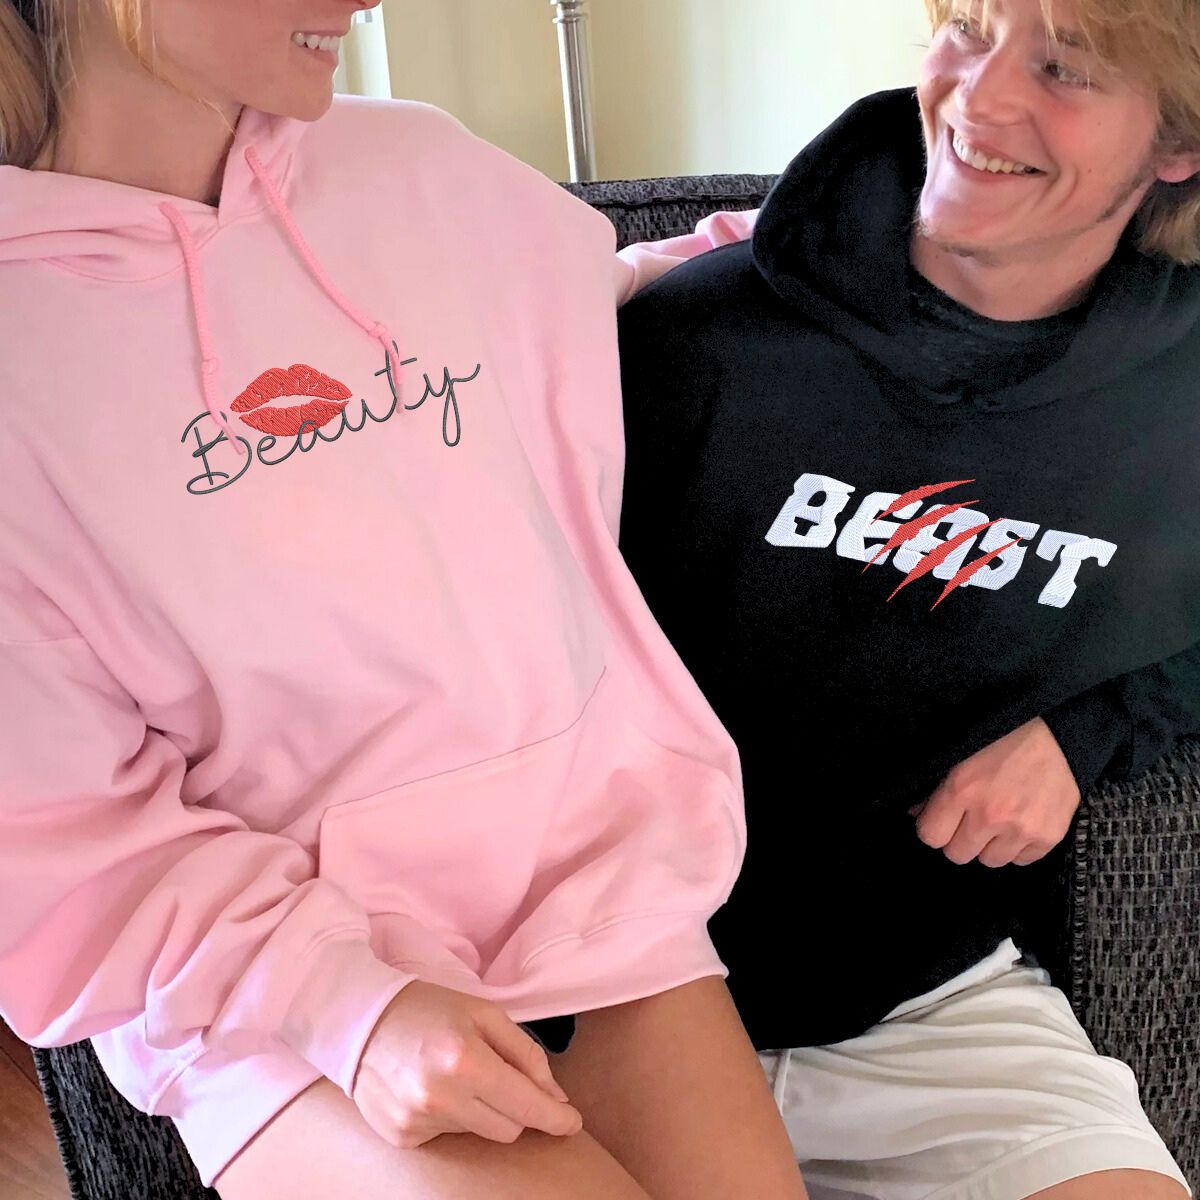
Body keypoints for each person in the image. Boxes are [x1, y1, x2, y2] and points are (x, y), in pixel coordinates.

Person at [0, 2, 804, 1198]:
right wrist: (350, 1008)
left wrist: (887, 235)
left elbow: (609, 293)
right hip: (276, 990)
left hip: (597, 891)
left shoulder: (420, 168)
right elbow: (63, 846)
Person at [616, 0, 1200, 1196]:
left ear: (1179, 144)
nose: (981, 97)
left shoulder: (1181, 393)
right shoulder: (690, 338)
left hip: (930, 1006)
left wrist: (1089, 729)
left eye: (1067, 68)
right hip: (613, 985)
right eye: (970, 30)